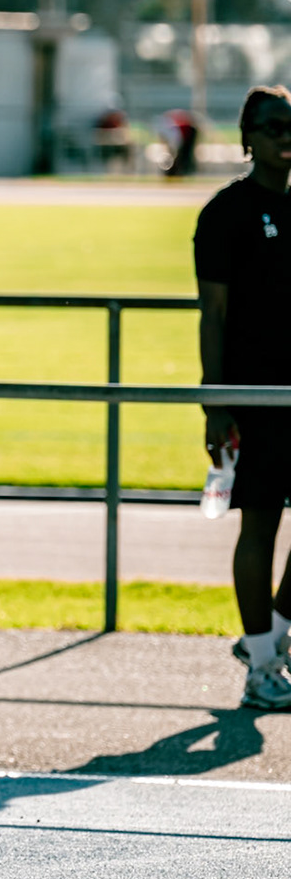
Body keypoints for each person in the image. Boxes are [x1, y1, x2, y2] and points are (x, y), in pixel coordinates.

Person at [195, 84, 291, 710]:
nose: (288, 136)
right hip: (254, 393)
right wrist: (217, 400)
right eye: (275, 126)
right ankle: (261, 666)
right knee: (261, 522)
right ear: (248, 137)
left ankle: (272, 636)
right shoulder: (226, 213)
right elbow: (214, 314)